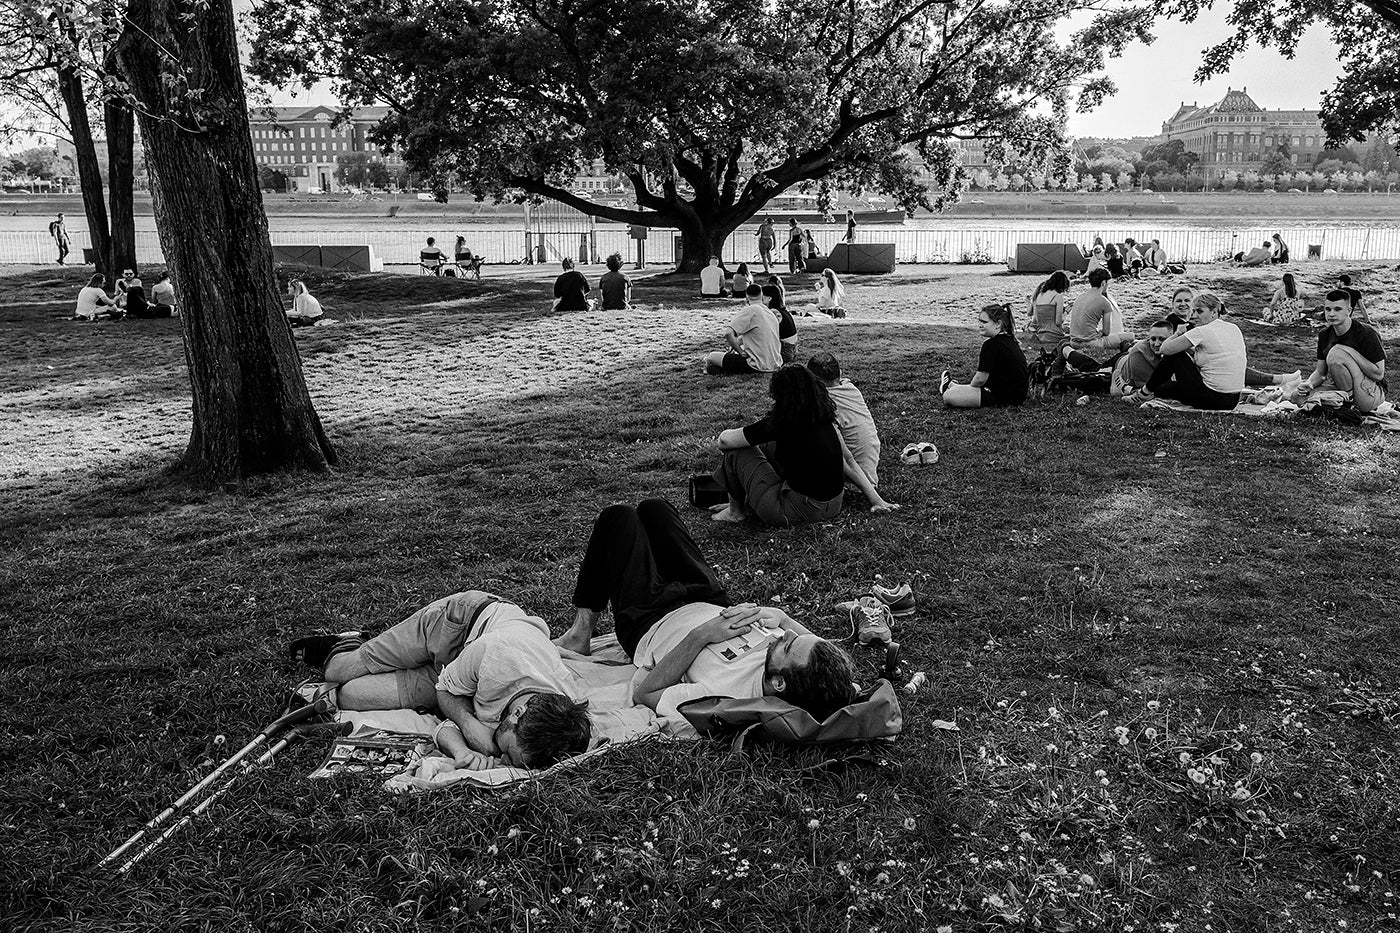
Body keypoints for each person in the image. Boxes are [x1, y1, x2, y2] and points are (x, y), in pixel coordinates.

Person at [551, 500, 859, 723]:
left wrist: (701, 636)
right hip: (709, 600)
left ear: (779, 683)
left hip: (653, 620)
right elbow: (819, 648)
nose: (788, 634)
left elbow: (645, 694)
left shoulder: (724, 697)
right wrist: (780, 615)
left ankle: (581, 633)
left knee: (618, 518)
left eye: (788, 643)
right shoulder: (806, 668)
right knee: (656, 509)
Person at [290, 592, 591, 770]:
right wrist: (471, 726)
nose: (506, 761)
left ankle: (372, 655)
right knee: (338, 673)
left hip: (458, 676)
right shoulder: (497, 654)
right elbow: (447, 694)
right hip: (455, 626)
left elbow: (445, 723)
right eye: (511, 754)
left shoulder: (556, 707)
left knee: (352, 695)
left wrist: (462, 750)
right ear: (517, 713)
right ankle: (346, 643)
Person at [711, 364, 897, 524]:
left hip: (797, 510)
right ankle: (744, 500)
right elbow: (847, 461)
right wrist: (876, 500)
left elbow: (725, 441)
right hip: (834, 505)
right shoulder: (824, 416)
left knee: (736, 452)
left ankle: (735, 512)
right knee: (766, 447)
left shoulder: (780, 422)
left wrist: (730, 432)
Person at [1135, 292, 1245, 410]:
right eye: (1194, 311)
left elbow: (1165, 349)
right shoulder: (1233, 328)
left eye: (1199, 311)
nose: (1195, 316)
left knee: (1174, 356)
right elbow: (1212, 354)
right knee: (1170, 388)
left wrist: (1177, 333)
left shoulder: (1202, 331)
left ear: (1214, 312)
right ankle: (1140, 392)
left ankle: (1143, 392)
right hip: (1232, 401)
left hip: (1212, 398)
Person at [1291, 290, 1388, 413]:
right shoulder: (1325, 334)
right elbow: (1321, 373)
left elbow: (1379, 374)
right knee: (1297, 397)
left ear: (1349, 311)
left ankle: (1346, 403)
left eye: (1337, 309)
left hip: (1370, 391)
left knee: (1336, 352)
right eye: (1328, 309)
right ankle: (1342, 404)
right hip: (1340, 386)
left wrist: (1348, 351)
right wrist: (1309, 383)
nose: (1331, 314)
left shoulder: (1366, 333)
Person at [807, 352, 881, 488]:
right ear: (840, 373)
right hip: (869, 471)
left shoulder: (824, 402)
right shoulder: (850, 388)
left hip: (853, 480)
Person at [938, 303, 1029, 408]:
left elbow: (980, 379)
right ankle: (951, 385)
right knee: (961, 390)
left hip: (1001, 397)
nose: (980, 325)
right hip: (1019, 396)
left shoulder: (991, 345)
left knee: (948, 396)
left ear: (998, 324)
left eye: (984, 322)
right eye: (979, 321)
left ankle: (950, 388)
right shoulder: (1011, 341)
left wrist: (970, 390)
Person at [704, 284, 783, 375]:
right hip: (775, 363)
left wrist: (740, 352)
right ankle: (722, 370)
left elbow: (728, 333)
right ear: (761, 295)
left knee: (711, 357)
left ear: (747, 297)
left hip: (756, 366)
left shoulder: (750, 310)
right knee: (727, 358)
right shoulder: (770, 312)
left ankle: (718, 369)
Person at [1065, 268, 1134, 367]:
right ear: (1103, 283)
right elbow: (1107, 332)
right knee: (1130, 336)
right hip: (1091, 342)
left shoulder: (1080, 297)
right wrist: (1100, 333)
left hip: (1074, 342)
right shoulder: (1104, 302)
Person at [1111, 321, 1174, 397]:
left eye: (1162, 339)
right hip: (1117, 364)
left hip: (1130, 355)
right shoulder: (1139, 354)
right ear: (1149, 339)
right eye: (1153, 339)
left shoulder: (1177, 348)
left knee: (1130, 348)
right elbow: (1147, 388)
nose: (1157, 343)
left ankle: (1126, 345)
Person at [762, 275, 799, 363]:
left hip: (785, 352)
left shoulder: (774, 312)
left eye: (762, 297)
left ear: (769, 298)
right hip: (792, 349)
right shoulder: (782, 310)